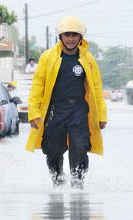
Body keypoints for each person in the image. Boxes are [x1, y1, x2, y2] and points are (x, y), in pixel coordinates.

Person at [26, 16, 107, 189]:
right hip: (55, 110)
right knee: (53, 150)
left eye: (75, 35)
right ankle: (58, 180)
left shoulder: (88, 59)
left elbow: (97, 88)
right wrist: (33, 112)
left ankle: (78, 184)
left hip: (78, 109)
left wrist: (102, 115)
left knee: (79, 147)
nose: (71, 39)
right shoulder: (48, 58)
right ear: (60, 36)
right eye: (67, 35)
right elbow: (37, 86)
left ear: (80, 37)